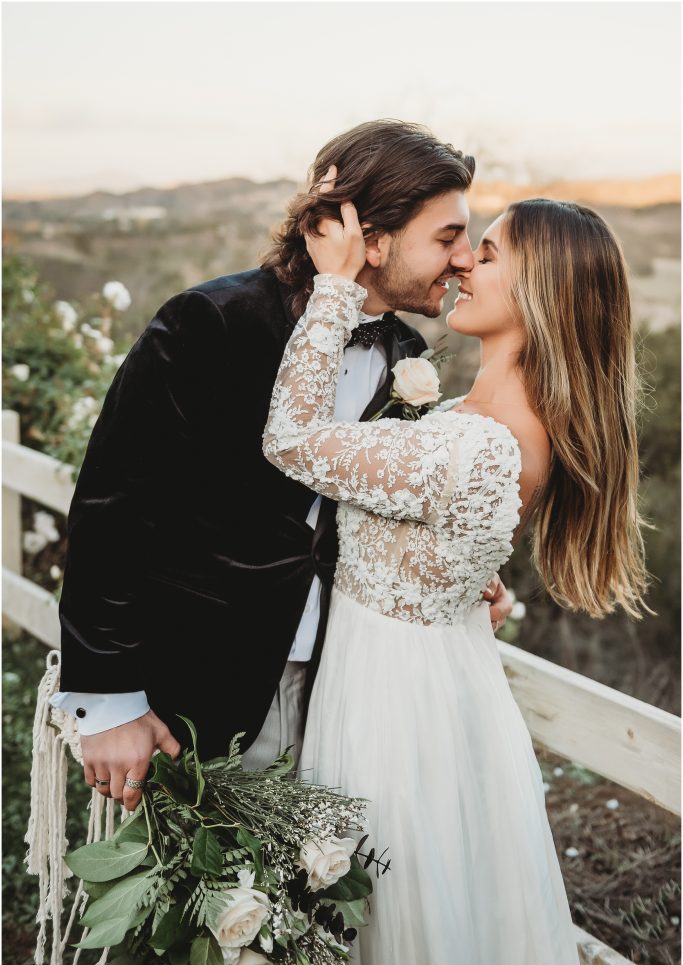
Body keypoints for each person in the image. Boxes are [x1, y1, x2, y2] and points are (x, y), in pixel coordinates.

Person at [262, 175, 650, 965]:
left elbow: (290, 442)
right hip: (422, 676)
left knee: (398, 947)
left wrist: (333, 289)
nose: (462, 269)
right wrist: (460, 575)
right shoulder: (488, 418)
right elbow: (433, 541)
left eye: (487, 253)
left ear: (539, 291)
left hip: (396, 708)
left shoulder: (480, 441)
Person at [49, 120, 512, 813]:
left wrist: (454, 558)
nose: (460, 260)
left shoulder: (404, 351)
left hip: (342, 682)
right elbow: (112, 509)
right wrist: (108, 700)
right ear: (368, 235)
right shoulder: (211, 323)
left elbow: (367, 493)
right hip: (196, 683)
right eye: (446, 237)